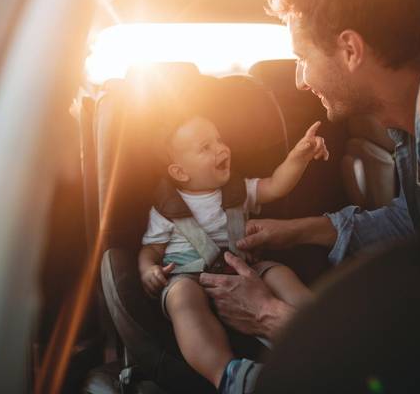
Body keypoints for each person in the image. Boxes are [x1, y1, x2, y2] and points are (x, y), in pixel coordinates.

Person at [200, 0, 420, 341]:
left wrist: (269, 315)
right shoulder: (417, 126)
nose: (300, 80)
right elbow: (418, 217)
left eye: (303, 57)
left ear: (351, 49)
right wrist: (299, 230)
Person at [138, 113, 327, 392]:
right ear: (180, 172)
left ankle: (319, 329)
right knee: (182, 299)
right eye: (206, 147)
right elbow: (150, 250)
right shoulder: (167, 209)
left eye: (219, 140)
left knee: (279, 272)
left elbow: (276, 185)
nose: (221, 148)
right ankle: (227, 374)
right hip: (188, 275)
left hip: (244, 267)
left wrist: (298, 157)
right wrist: (148, 270)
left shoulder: (239, 190)